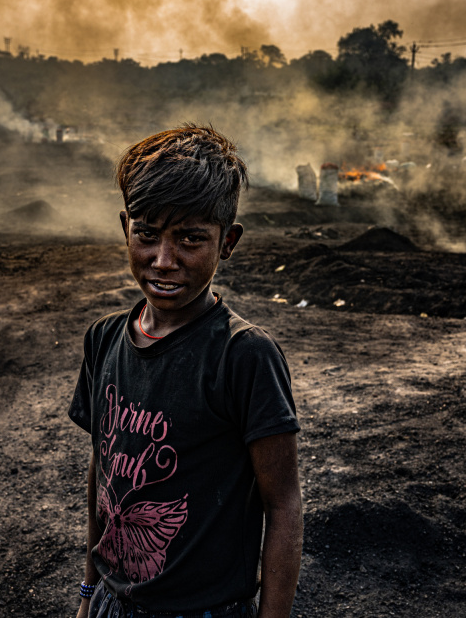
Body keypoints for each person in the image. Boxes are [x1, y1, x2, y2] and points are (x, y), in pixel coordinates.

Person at [68, 126, 302, 618]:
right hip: (114, 602)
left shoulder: (243, 356)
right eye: (146, 235)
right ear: (124, 228)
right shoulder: (104, 339)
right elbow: (103, 471)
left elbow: (282, 506)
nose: (163, 260)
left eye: (191, 239)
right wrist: (90, 593)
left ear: (228, 242)